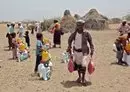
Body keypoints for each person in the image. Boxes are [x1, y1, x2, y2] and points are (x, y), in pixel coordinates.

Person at [67, 19, 94, 86]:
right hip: (76, 52)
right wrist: (69, 47)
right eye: (78, 25)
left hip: (84, 52)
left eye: (81, 25)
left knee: (83, 64)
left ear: (83, 25)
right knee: (78, 65)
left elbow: (90, 42)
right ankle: (79, 77)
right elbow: (69, 40)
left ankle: (83, 78)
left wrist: (92, 49)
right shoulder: (74, 34)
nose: (79, 26)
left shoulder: (86, 34)